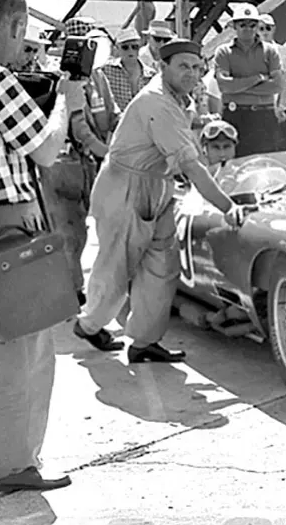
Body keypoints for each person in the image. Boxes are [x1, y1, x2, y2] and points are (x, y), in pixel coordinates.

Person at [72, 39, 248, 362]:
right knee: (116, 267)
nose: (191, 74)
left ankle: (143, 342)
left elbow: (185, 136)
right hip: (124, 189)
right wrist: (228, 207)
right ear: (162, 67)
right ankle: (89, 324)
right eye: (183, 66)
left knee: (163, 268)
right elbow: (191, 163)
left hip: (157, 186)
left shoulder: (179, 98)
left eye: (197, 68)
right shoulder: (157, 102)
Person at [0, 0, 85, 492]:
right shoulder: (0, 83)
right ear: (12, 24)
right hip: (10, 221)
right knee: (22, 354)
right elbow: (47, 149)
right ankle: (14, 465)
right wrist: (64, 103)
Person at [43, 28, 121, 306]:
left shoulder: (98, 77)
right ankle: (71, 291)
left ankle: (75, 287)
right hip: (68, 163)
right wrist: (112, 155)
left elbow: (112, 115)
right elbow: (79, 129)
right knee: (70, 231)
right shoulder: (66, 81)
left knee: (87, 229)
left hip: (90, 164)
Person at [214, 3, 284, 157]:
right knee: (233, 163)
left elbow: (278, 86)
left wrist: (239, 85)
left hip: (264, 116)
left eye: (252, 25)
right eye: (243, 24)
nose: (248, 29)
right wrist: (257, 79)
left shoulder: (271, 51)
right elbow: (224, 86)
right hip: (234, 115)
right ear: (234, 26)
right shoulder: (223, 51)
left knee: (267, 163)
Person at [102, 27, 157, 111]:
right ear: (117, 48)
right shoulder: (106, 70)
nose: (130, 50)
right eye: (125, 47)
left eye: (134, 47)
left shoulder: (152, 75)